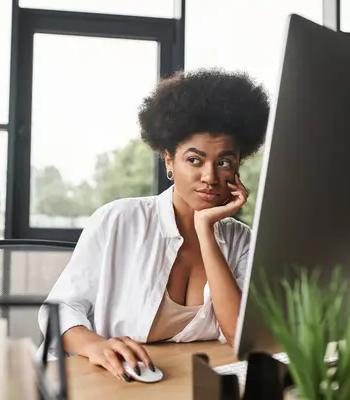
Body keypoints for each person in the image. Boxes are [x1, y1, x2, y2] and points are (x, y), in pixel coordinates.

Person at [38, 68, 270, 382]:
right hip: (93, 380)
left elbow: (240, 337)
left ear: (238, 166)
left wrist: (206, 231)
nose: (210, 177)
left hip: (177, 382)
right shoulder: (119, 220)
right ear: (168, 161)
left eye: (224, 162)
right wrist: (96, 346)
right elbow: (60, 307)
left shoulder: (240, 240)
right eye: (194, 160)